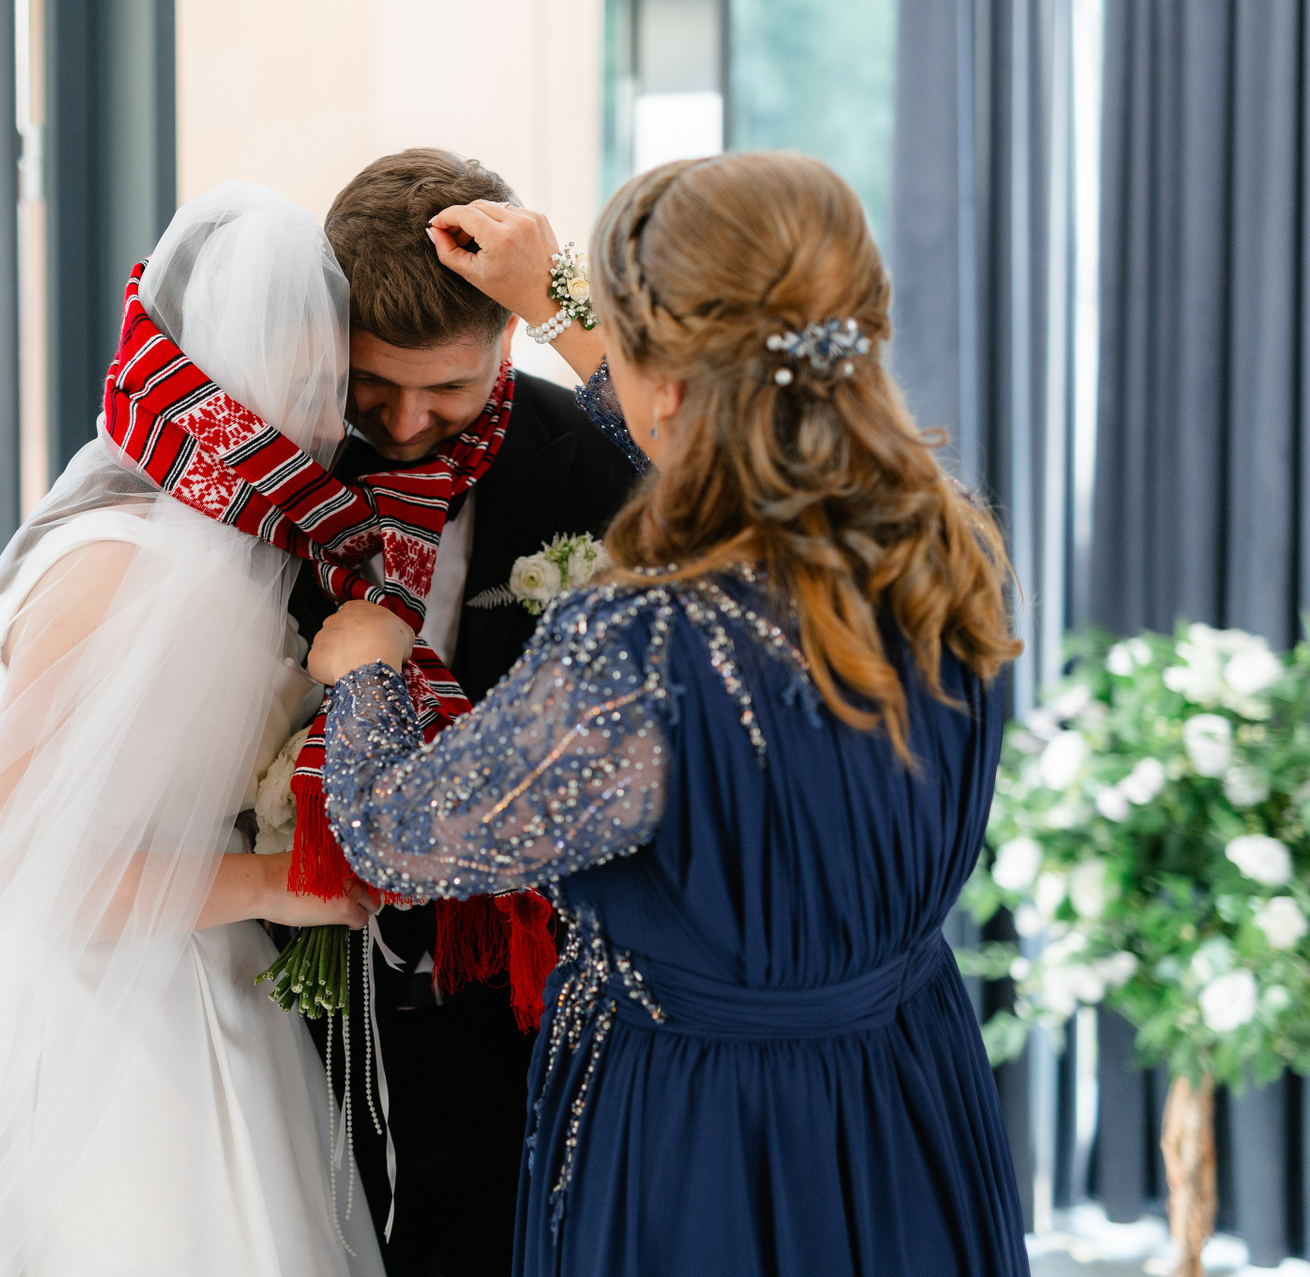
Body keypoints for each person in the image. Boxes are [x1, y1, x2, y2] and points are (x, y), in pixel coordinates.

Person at [309, 151, 1032, 1276]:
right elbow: (701, 436)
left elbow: (398, 840)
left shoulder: (644, 644)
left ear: (671, 388)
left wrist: (362, 673)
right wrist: (560, 301)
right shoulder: (940, 543)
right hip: (905, 1087)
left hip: (704, 1128)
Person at [0, 184, 384, 1277]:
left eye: (328, 390)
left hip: (200, 992)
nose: (324, 429)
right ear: (208, 393)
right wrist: (272, 882)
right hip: (98, 1032)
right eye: (297, 392)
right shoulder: (115, 567)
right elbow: (0, 865)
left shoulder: (230, 560)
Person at [289, 148, 640, 1277]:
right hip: (305, 983)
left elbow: (735, 483)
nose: (402, 421)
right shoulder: (270, 462)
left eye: (445, 388)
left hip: (532, 992)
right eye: (372, 383)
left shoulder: (594, 454)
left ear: (505, 341)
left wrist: (564, 296)